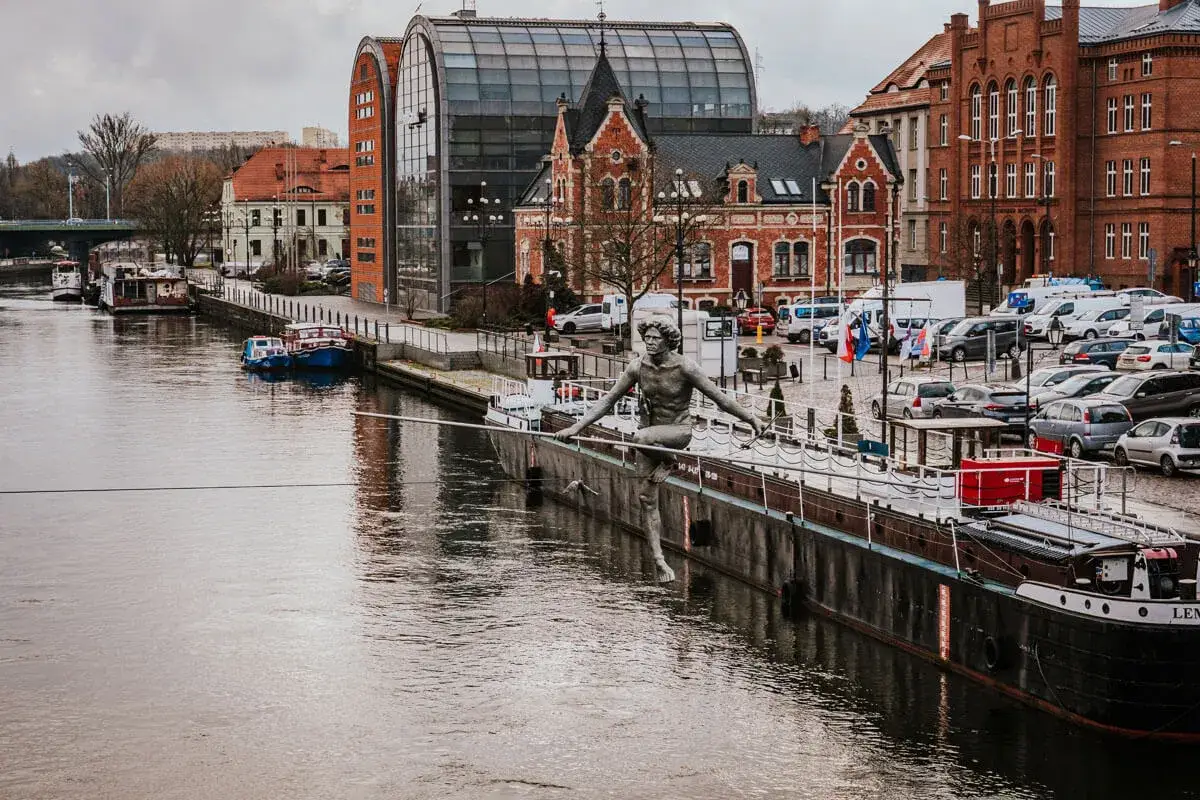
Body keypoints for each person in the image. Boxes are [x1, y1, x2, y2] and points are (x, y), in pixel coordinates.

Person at [555, 316, 764, 582]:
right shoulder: (637, 367)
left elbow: (720, 399)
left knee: (639, 438)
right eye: (648, 338)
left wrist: (751, 419)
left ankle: (669, 461)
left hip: (676, 433)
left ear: (668, 341)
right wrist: (576, 428)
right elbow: (607, 400)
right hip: (649, 435)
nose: (650, 343)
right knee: (646, 499)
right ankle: (660, 561)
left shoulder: (685, 367)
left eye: (656, 338)